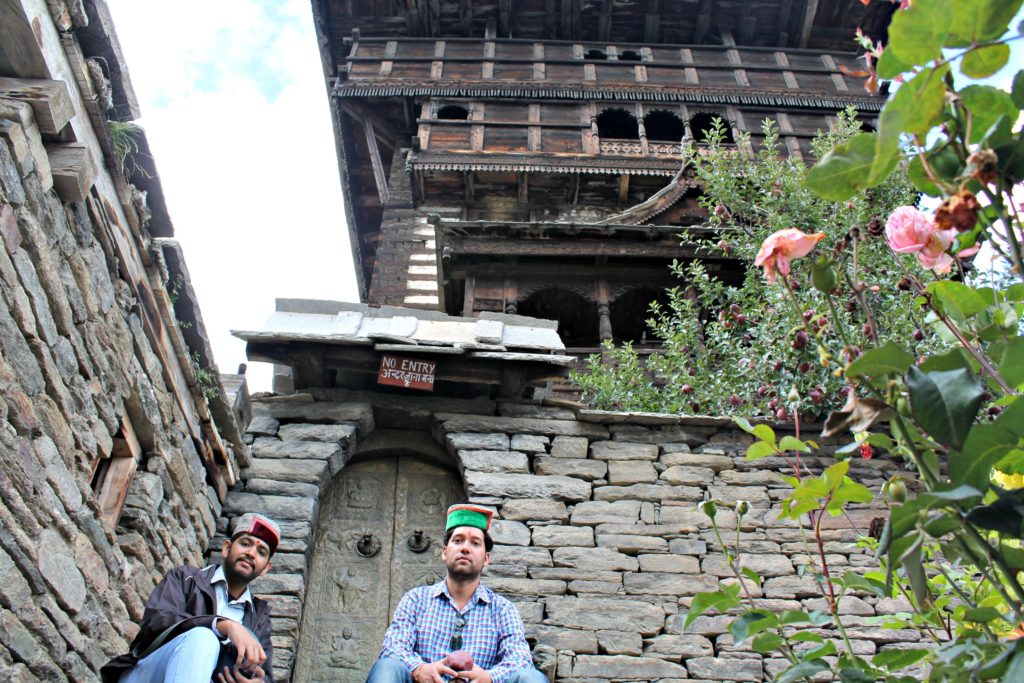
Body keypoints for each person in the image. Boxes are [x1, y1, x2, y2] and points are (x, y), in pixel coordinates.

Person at [366, 504, 547, 683]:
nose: (465, 548)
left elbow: (520, 660)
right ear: (444, 552)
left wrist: (489, 677)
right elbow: (393, 648)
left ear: (486, 559)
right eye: (458, 541)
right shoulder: (415, 600)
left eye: (475, 543)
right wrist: (419, 670)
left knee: (532, 677)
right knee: (387, 667)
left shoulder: (502, 610)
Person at [101, 513, 280, 683]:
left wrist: (259, 681)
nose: (251, 553)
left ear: (265, 568)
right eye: (245, 544)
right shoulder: (185, 578)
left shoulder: (259, 620)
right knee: (204, 638)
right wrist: (221, 625)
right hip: (149, 674)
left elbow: (266, 675)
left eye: (261, 552)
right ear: (227, 548)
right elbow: (156, 621)